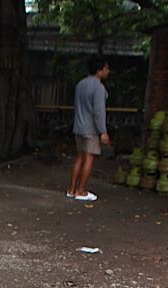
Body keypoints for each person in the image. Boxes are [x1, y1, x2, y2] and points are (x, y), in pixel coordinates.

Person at [68, 57, 111, 202]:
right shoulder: (98, 87)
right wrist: (103, 131)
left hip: (78, 126)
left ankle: (72, 189)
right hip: (91, 129)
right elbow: (98, 111)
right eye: (106, 68)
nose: (108, 71)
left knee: (80, 157)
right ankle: (81, 191)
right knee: (89, 158)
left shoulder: (80, 84)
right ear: (100, 70)